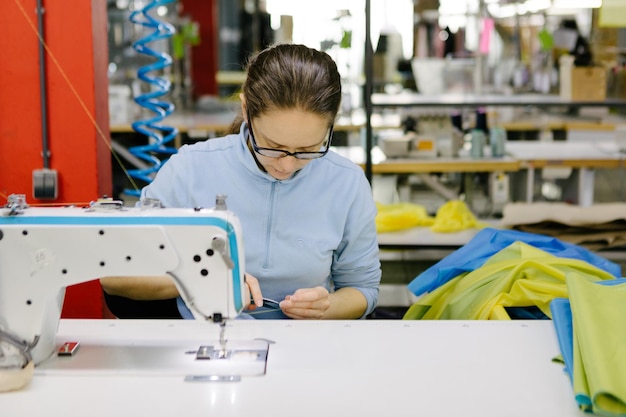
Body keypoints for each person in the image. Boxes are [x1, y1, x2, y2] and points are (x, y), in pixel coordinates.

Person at [101, 43, 382, 320]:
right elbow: (114, 276)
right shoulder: (191, 168)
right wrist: (200, 278)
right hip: (202, 343)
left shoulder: (347, 183)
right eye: (273, 146)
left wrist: (327, 308)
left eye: (308, 150)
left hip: (306, 347)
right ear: (246, 110)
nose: (286, 165)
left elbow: (363, 289)